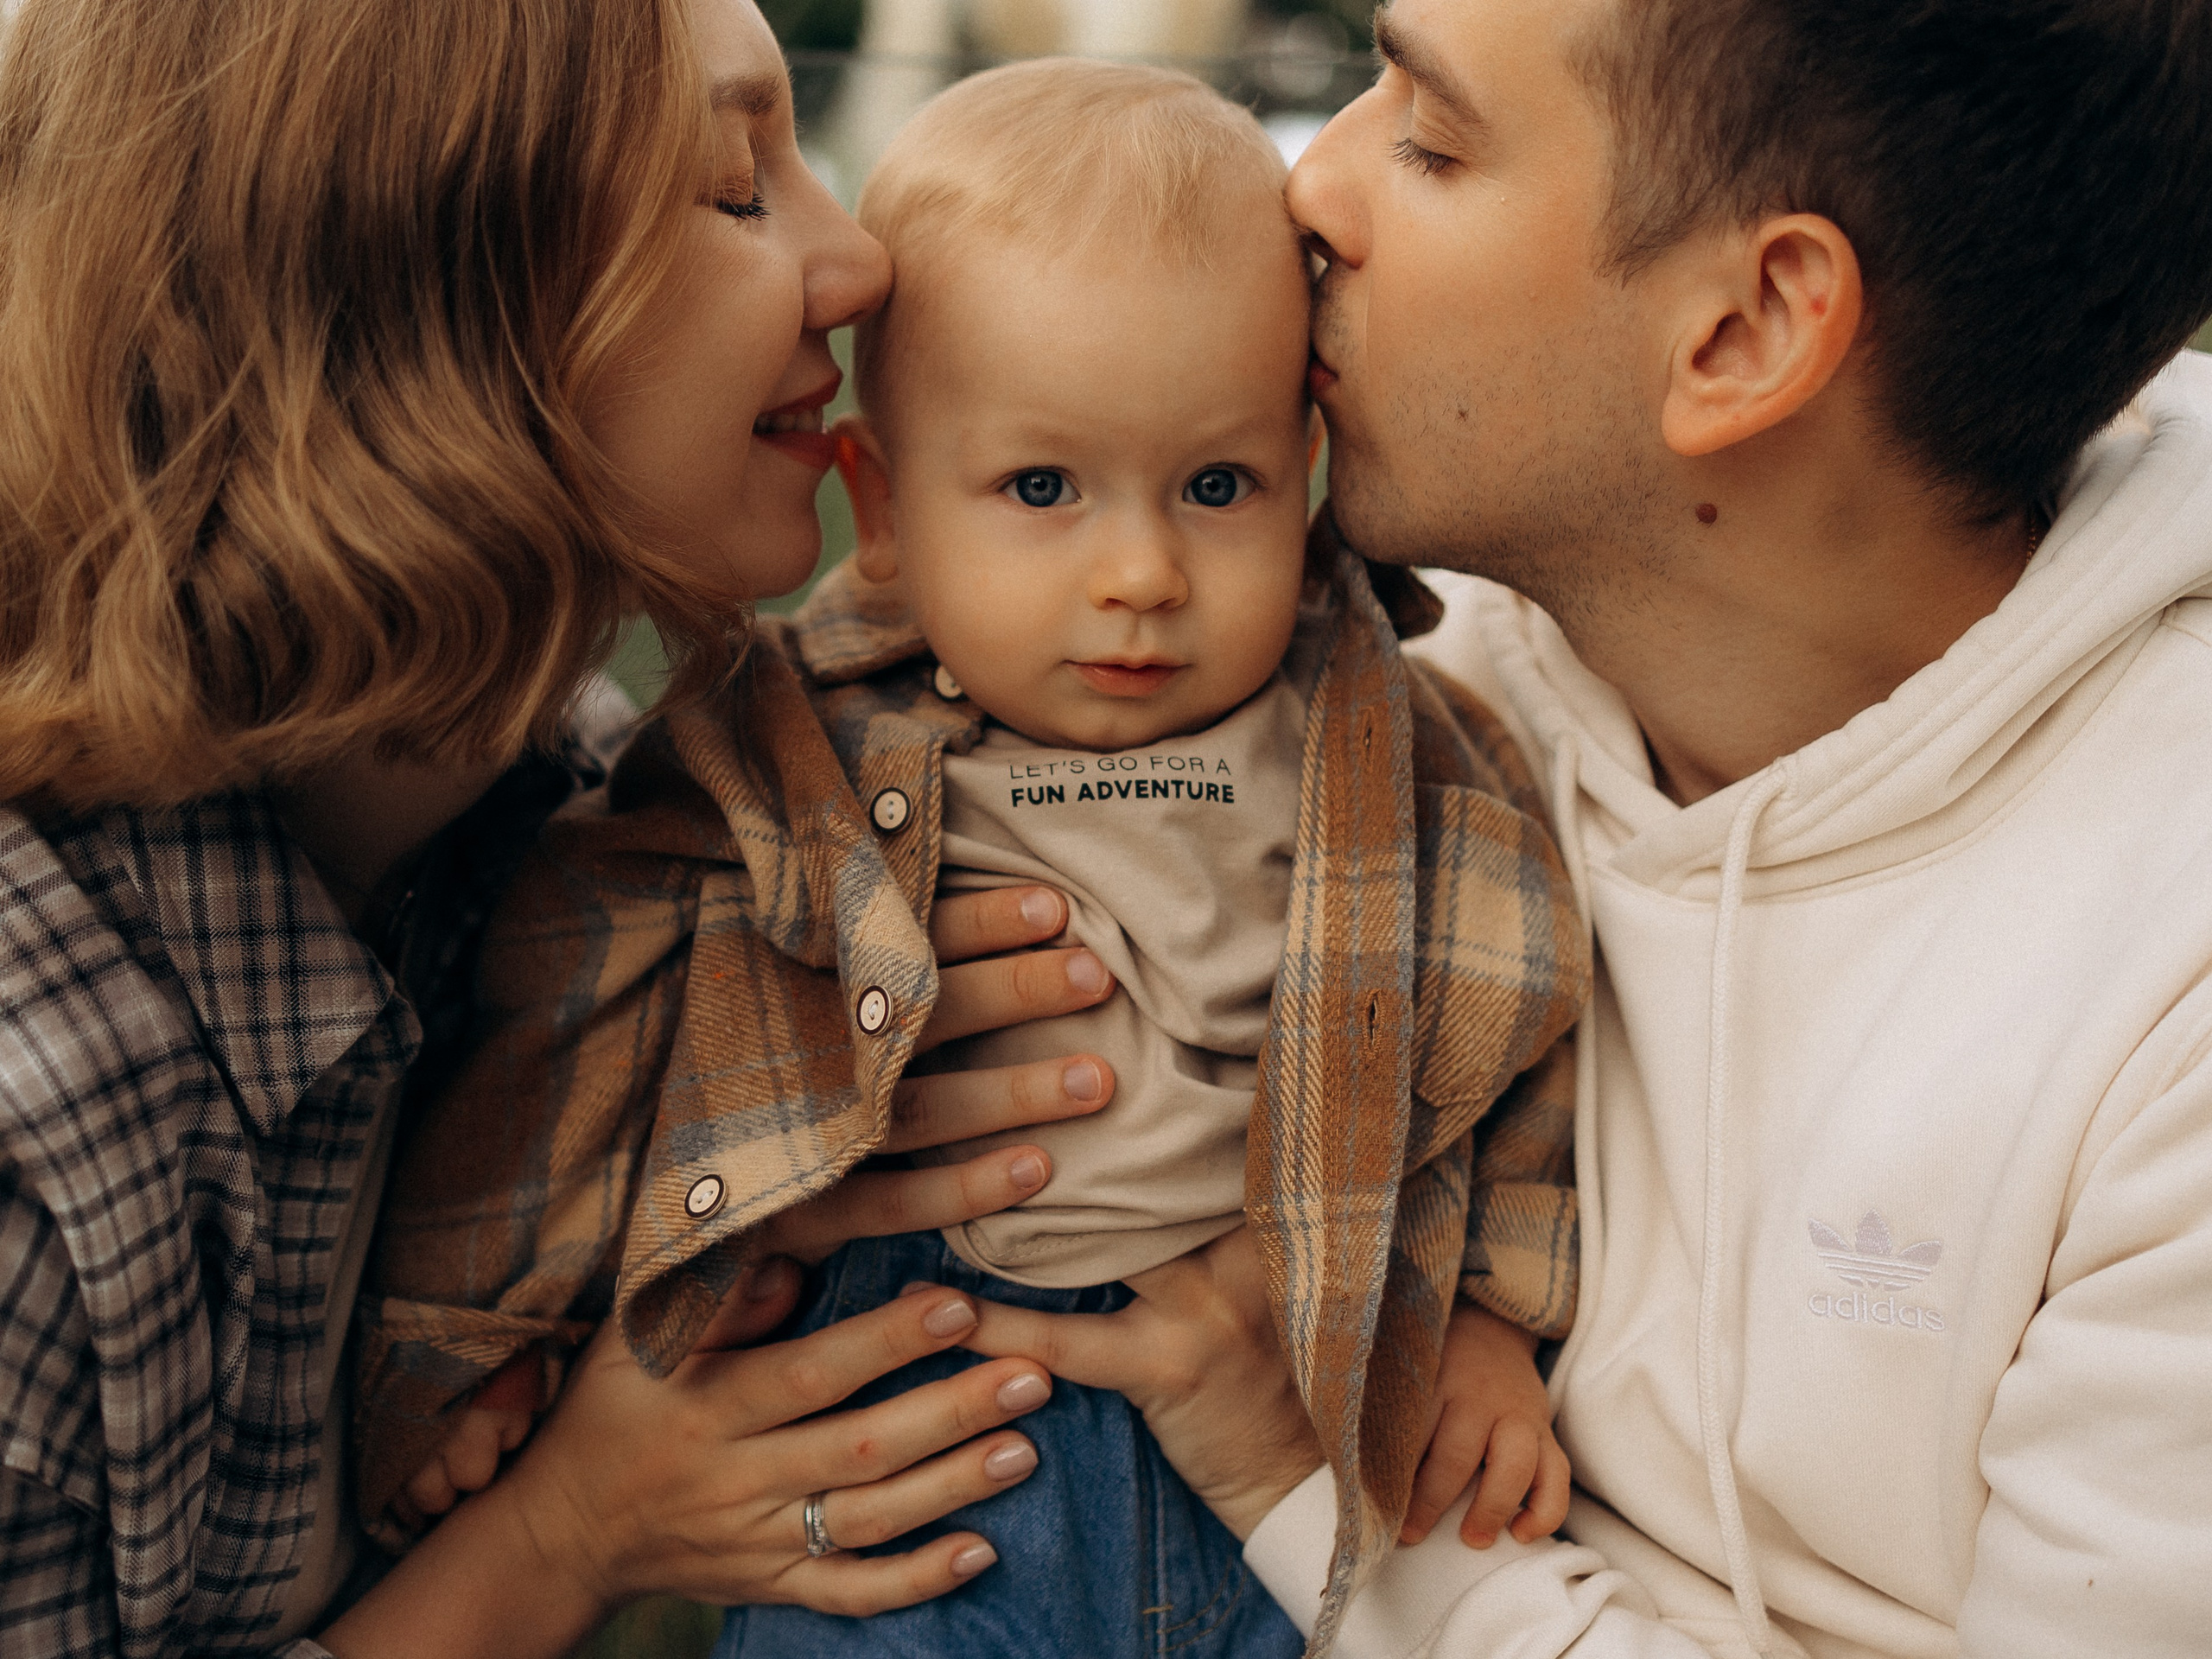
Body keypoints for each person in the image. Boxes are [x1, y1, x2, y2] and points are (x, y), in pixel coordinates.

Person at [957, 0, 2212, 1656]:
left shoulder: (2173, 983)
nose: (1311, 186)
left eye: (1431, 138)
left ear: (1742, 332)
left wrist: (1306, 1474)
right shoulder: (1395, 706)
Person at [351, 58, 1588, 1659]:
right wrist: (485, 1332)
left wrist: (1487, 1320)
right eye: (1041, 488)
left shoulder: (1385, 740)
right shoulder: (790, 749)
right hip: (904, 1425)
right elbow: (579, 1016)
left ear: (1310, 473)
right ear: (882, 504)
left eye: (1218, 486)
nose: (1140, 572)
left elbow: (1511, 1019)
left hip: (1286, 1415)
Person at [0, 0, 1130, 1652]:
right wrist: (571, 1530)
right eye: (736, 188)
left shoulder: (566, 797)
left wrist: (763, 1147)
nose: (859, 261)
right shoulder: (35, 1114)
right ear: (409, 296)